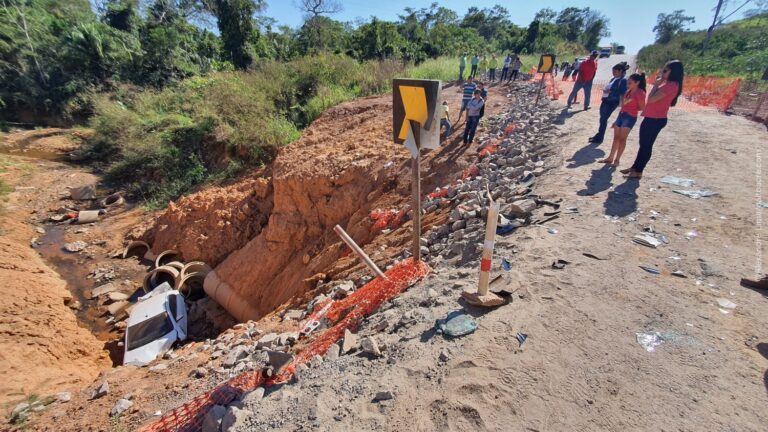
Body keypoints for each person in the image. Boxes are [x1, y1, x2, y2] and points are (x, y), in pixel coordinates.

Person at [621, 60, 685, 179]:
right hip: (653, 118)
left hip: (655, 119)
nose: (662, 72)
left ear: (673, 72)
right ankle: (635, 167)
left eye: (665, 71)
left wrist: (656, 85)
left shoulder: (670, 85)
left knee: (646, 146)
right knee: (643, 145)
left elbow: (650, 99)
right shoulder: (670, 84)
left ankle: (638, 171)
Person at [598, 73, 646, 167]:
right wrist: (616, 120)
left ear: (637, 83)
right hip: (621, 115)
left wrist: (632, 108)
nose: (628, 84)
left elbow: (642, 107)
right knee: (616, 138)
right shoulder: (628, 91)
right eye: (628, 82)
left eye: (630, 82)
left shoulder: (640, 93)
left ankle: (617, 160)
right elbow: (623, 105)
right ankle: (610, 158)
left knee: (622, 139)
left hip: (630, 116)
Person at [589, 62, 629, 144]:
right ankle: (599, 135)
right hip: (606, 101)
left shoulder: (623, 81)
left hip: (611, 102)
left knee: (603, 119)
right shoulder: (613, 79)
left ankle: (599, 138)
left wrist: (611, 92)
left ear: (621, 71)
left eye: (615, 71)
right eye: (613, 71)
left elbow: (622, 93)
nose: (613, 73)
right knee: (602, 119)